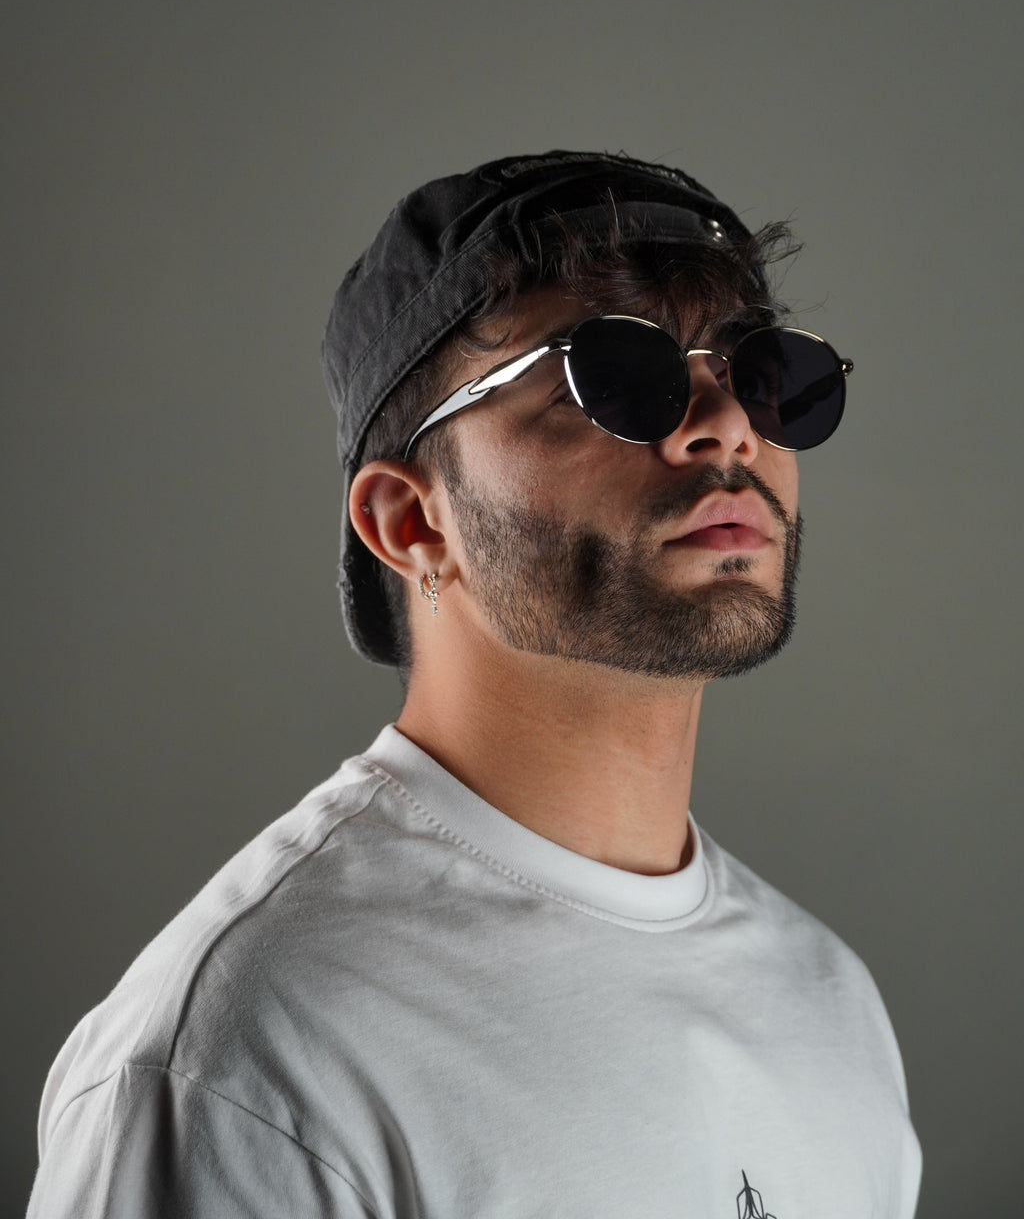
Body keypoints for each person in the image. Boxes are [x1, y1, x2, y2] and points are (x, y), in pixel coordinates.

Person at [28, 150, 922, 1217]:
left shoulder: (827, 1003)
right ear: (410, 522)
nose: (725, 425)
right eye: (619, 376)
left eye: (760, 372)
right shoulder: (249, 1058)